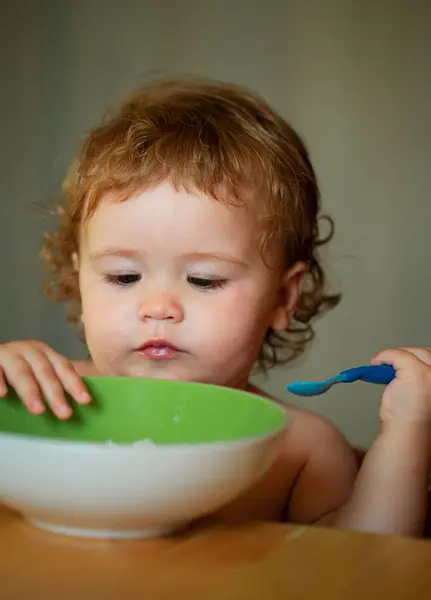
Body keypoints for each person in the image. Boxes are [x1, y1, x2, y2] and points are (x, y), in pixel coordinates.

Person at [0, 78, 430, 536]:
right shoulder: (39, 402)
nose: (158, 307)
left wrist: (409, 429)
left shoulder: (302, 449)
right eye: (123, 277)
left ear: (283, 298)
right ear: (80, 280)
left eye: (204, 280)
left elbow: (364, 561)